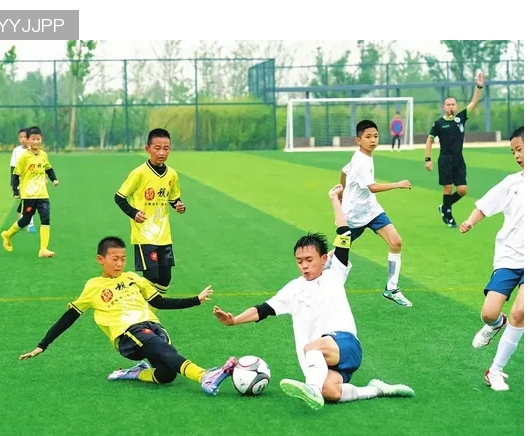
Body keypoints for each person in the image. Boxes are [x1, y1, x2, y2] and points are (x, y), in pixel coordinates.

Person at [212, 185, 415, 410]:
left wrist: (334, 199)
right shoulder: (293, 289)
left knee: (313, 347)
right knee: (331, 391)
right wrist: (234, 320)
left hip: (345, 344)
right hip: (324, 360)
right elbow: (263, 310)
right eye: (300, 261)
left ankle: (312, 389)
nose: (304, 266)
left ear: (324, 258)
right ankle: (375, 389)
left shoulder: (335, 273)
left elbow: (345, 234)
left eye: (309, 260)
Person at [19, 236, 237, 396]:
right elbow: (69, 316)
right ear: (100, 259)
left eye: (123, 259)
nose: (119, 264)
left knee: (167, 373)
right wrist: (42, 345)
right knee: (164, 349)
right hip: (127, 335)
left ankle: (135, 373)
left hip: (152, 325)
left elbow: (159, 302)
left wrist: (195, 299)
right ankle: (204, 376)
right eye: (114, 259)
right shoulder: (93, 286)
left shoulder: (133, 278)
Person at [460, 126, 524, 392]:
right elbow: (485, 205)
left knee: (520, 312)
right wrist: (470, 221)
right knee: (489, 313)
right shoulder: (512, 183)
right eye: (513, 152)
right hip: (509, 257)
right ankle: (497, 324)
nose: (517, 156)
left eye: (520, 149)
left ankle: (495, 370)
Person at [337, 119, 413, 307]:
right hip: (353, 217)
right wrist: (398, 184)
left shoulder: (362, 156)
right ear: (358, 140)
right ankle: (319, 274)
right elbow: (372, 187)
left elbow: (343, 171)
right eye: (368, 137)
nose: (373, 140)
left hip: (371, 211)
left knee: (396, 242)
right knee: (339, 252)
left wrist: (341, 191)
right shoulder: (361, 161)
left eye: (376, 136)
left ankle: (392, 289)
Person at [115, 128, 185, 296]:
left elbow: (173, 198)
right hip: (144, 234)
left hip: (164, 235)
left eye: (166, 148)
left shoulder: (172, 175)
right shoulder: (139, 173)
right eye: (157, 148)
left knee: (165, 279)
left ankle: (144, 306)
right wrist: (133, 213)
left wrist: (179, 206)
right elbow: (119, 197)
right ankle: (133, 298)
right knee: (151, 276)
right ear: (148, 149)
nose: (162, 152)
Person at [425, 71, 485, 228]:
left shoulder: (461, 118)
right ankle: (448, 215)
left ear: (456, 106)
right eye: (448, 104)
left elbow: (473, 103)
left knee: (463, 190)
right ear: (443, 107)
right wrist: (428, 159)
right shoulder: (438, 124)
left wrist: (479, 87)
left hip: (458, 159)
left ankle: (444, 207)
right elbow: (429, 140)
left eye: (453, 104)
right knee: (447, 188)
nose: (451, 106)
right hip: (445, 159)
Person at [1, 126, 59, 258]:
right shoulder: (24, 157)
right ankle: (7, 235)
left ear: (41, 139)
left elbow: (48, 168)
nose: (36, 142)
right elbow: (16, 174)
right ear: (28, 140)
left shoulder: (43, 155)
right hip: (29, 195)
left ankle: (43, 249)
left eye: (38, 139)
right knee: (25, 220)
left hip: (42, 194)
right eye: (33, 139)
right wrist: (15, 189)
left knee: (45, 219)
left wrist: (54, 179)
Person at [10, 128, 36, 233]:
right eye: (21, 137)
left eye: (25, 137)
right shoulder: (16, 151)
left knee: (28, 201)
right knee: (27, 201)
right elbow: (13, 167)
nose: (23, 139)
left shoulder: (33, 150)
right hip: (21, 180)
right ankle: (29, 223)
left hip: (32, 180)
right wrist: (13, 185)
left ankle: (23, 220)